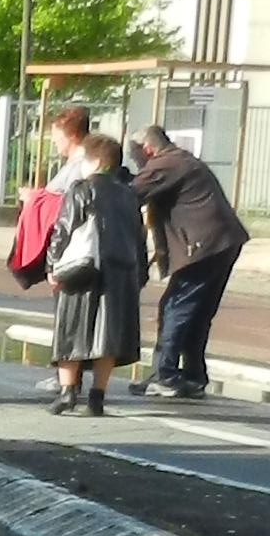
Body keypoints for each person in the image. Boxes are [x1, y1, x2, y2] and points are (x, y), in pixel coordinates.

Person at [130, 123, 250, 400]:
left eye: (135, 154)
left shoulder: (166, 164)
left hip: (205, 246)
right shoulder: (180, 159)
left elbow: (128, 194)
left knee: (176, 306)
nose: (135, 161)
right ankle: (193, 376)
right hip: (221, 242)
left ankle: (166, 375)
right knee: (197, 312)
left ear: (147, 149)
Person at [45, 130, 145, 415]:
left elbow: (63, 230)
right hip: (122, 271)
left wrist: (52, 265)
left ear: (93, 161)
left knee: (71, 330)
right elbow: (139, 237)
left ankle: (67, 393)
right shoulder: (129, 195)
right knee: (108, 336)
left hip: (84, 269)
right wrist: (140, 273)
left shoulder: (81, 189)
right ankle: (97, 397)